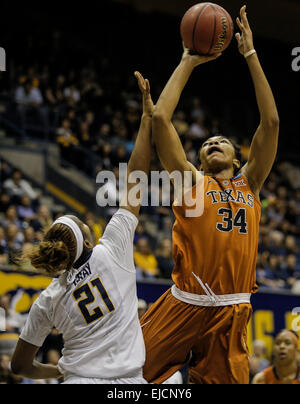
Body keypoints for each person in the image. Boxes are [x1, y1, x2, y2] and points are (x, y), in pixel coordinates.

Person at [140, 6, 279, 384]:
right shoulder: (191, 181)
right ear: (200, 160)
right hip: (185, 302)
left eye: (223, 141)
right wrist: (188, 60)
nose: (214, 142)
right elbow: (162, 120)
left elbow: (271, 123)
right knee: (126, 375)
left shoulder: (250, 183)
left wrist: (250, 55)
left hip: (231, 310)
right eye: (208, 142)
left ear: (237, 159)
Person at [10, 71, 153, 384]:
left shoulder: (49, 297)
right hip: (130, 382)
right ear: (88, 242)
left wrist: (61, 372)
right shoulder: (112, 248)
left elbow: (19, 368)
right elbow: (136, 179)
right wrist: (145, 120)